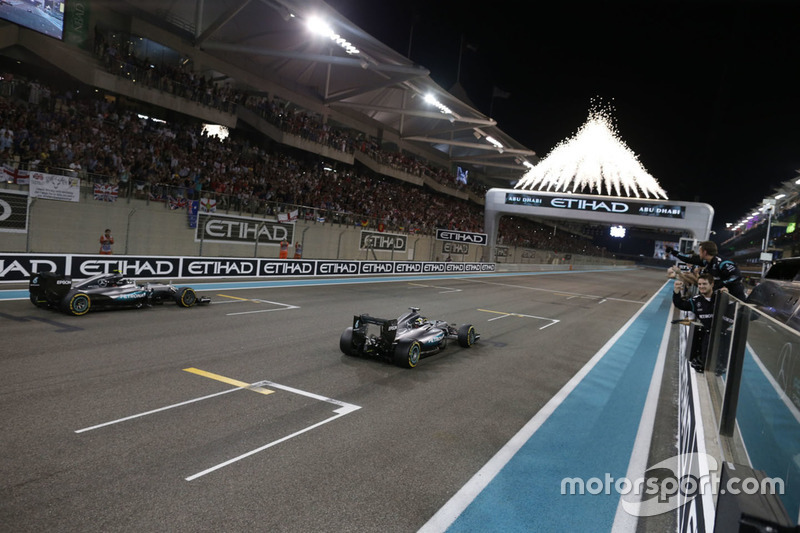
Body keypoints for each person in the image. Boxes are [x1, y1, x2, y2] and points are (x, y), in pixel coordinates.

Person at [672, 273, 727, 373]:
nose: (701, 286)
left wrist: (727, 297)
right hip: (707, 336)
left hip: (722, 337)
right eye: (700, 284)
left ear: (712, 284)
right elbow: (680, 304)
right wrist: (676, 291)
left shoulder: (721, 297)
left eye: (704, 284)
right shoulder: (696, 300)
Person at [666, 241, 746, 300]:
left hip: (734, 297)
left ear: (705, 252)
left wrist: (720, 283)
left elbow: (737, 276)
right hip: (721, 296)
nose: (699, 253)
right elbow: (689, 258)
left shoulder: (723, 263)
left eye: (700, 251)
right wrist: (673, 252)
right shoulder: (706, 261)